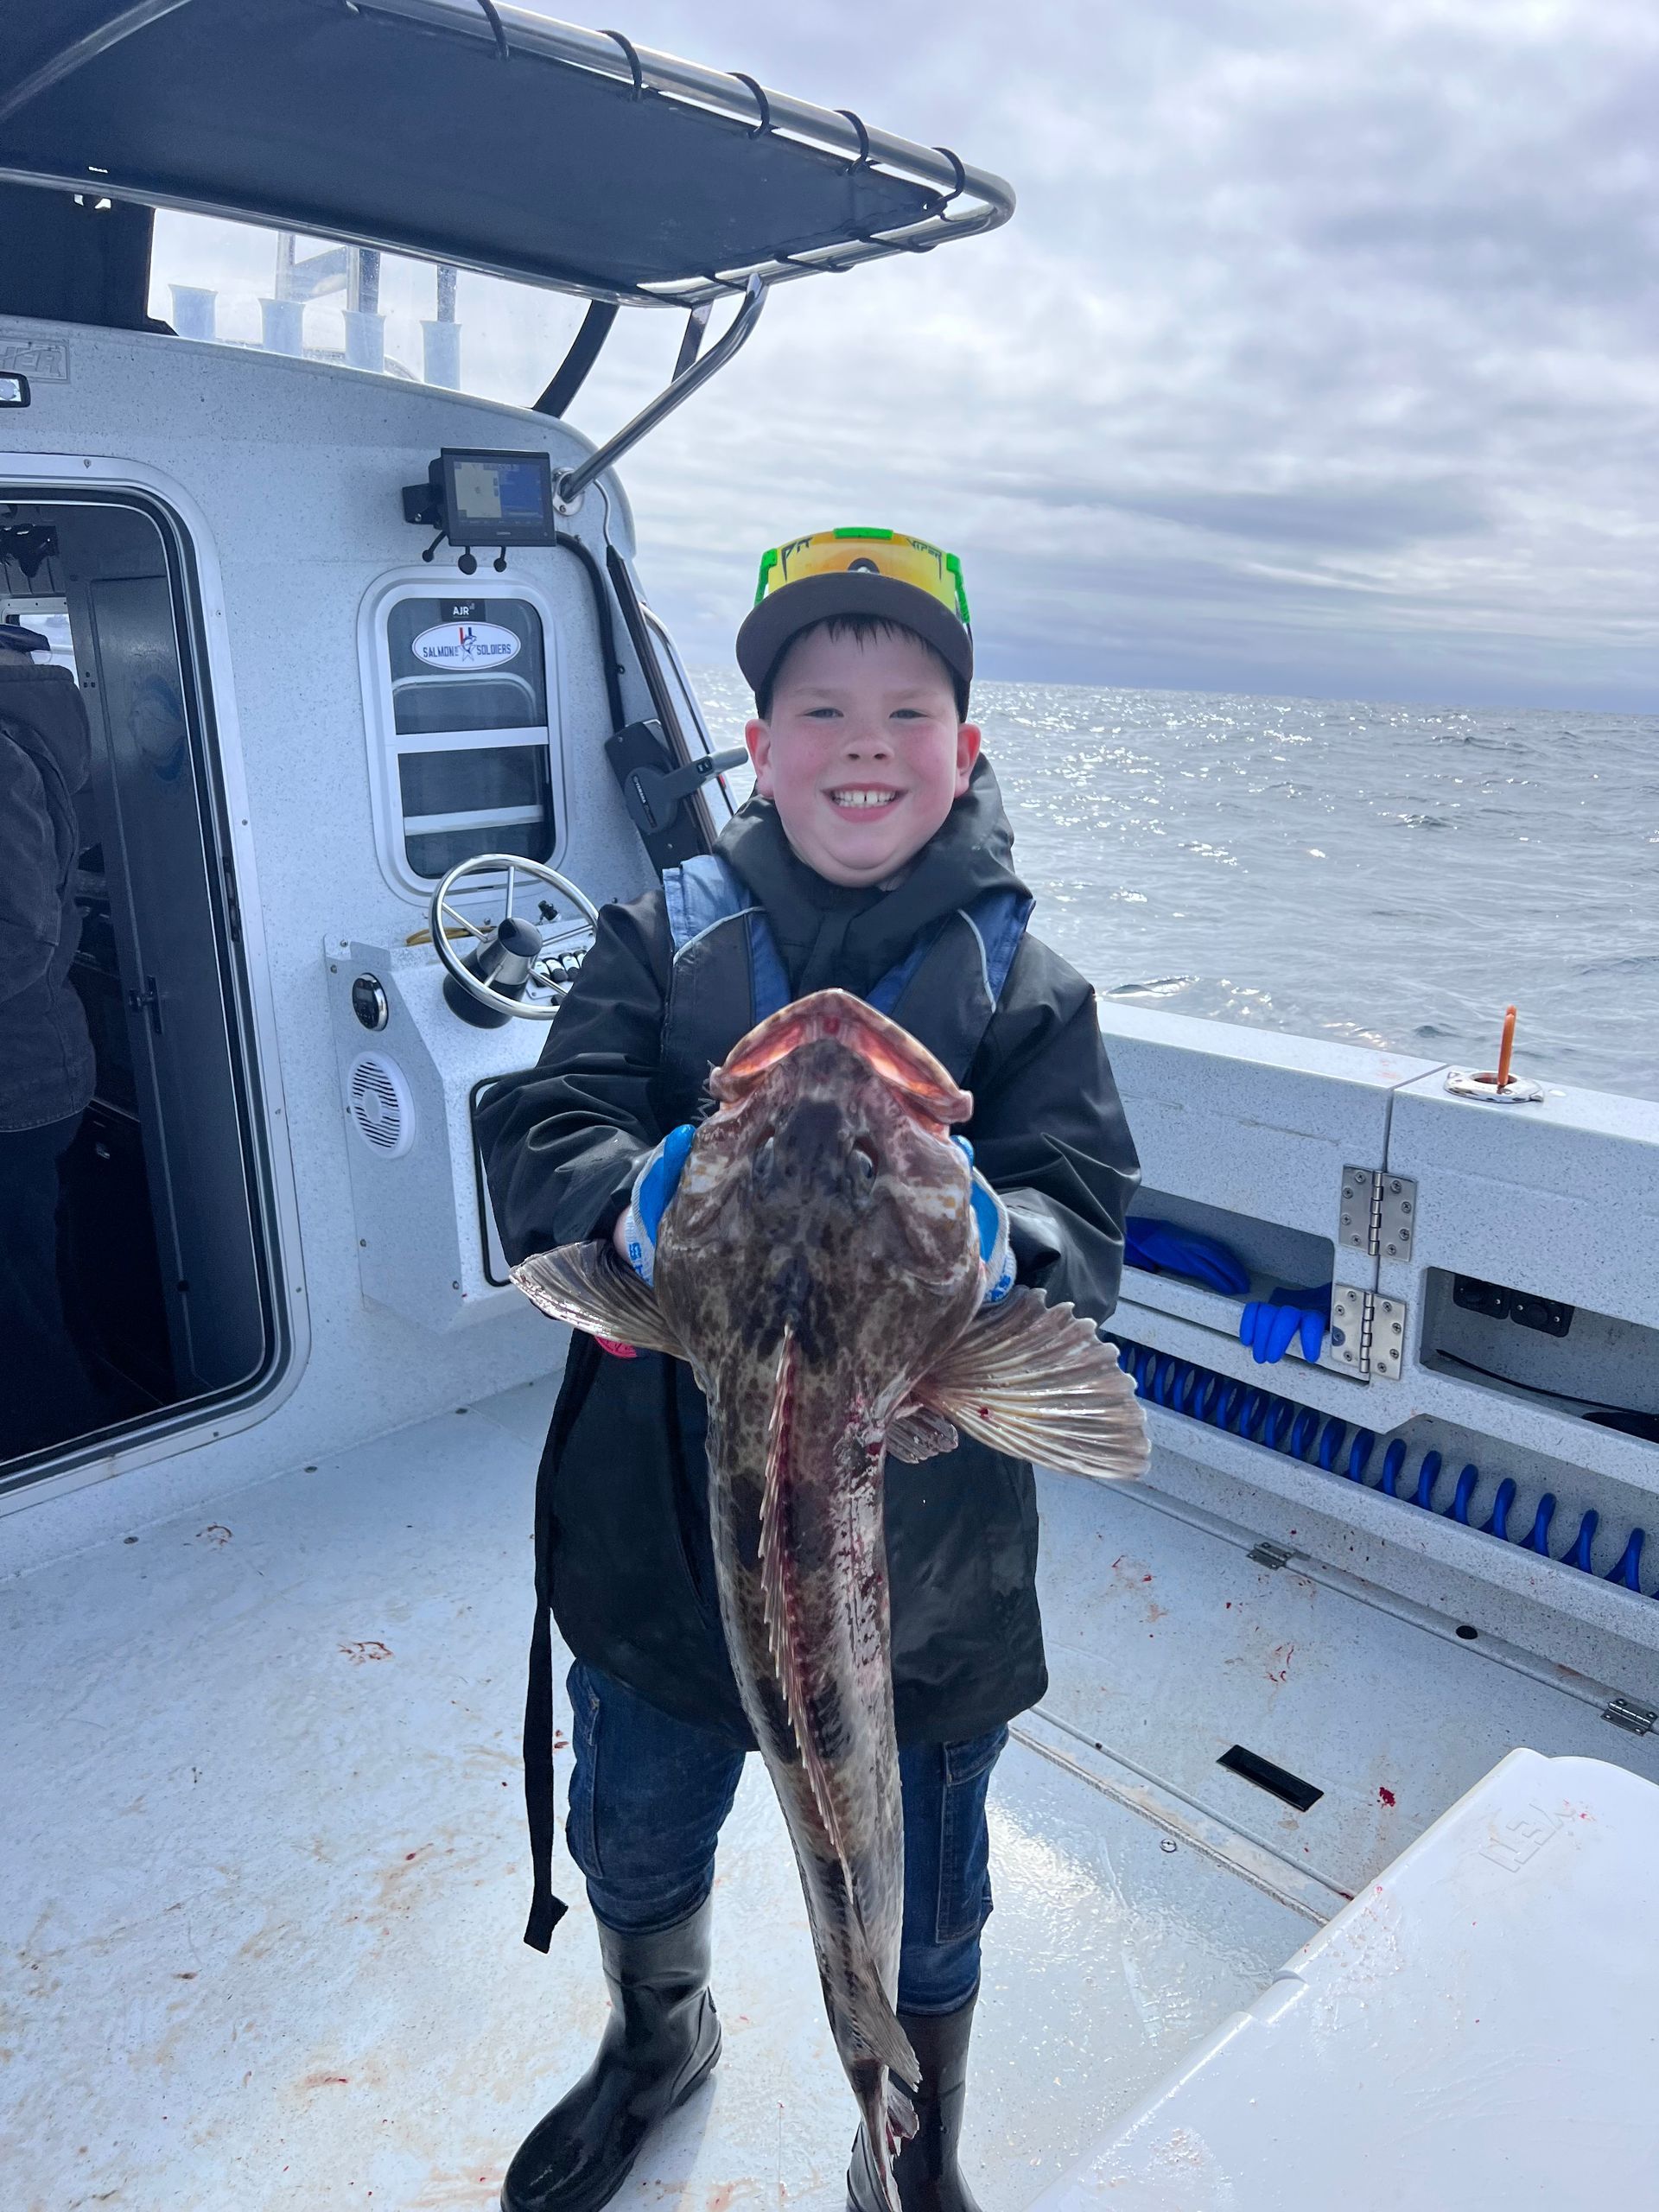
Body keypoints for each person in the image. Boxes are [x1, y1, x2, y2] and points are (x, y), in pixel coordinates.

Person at [480, 529, 1140, 2212]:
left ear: (966, 747)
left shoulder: (1028, 992)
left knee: (923, 1899)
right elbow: (541, 1129)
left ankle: (905, 2122)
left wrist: (1010, 1256)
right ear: (755, 749)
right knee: (635, 1835)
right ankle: (657, 2037)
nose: (863, 738)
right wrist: (623, 1201)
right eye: (818, 705)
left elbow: (1083, 1207)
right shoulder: (655, 938)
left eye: (908, 707)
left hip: (937, 1593)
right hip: (657, 1566)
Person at [0, 618, 100, 1460]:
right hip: (35, 1071)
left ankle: (63, 1467)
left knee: (17, 1319)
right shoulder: (29, 724)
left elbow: (20, 934)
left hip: (14, 1084)